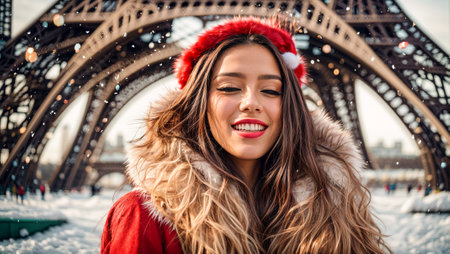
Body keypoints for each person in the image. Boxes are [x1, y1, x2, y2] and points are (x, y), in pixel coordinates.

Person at [101, 17, 391, 253]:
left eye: (270, 90)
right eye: (229, 87)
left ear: (289, 107)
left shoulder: (336, 217)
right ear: (199, 105)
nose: (251, 102)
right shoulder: (144, 217)